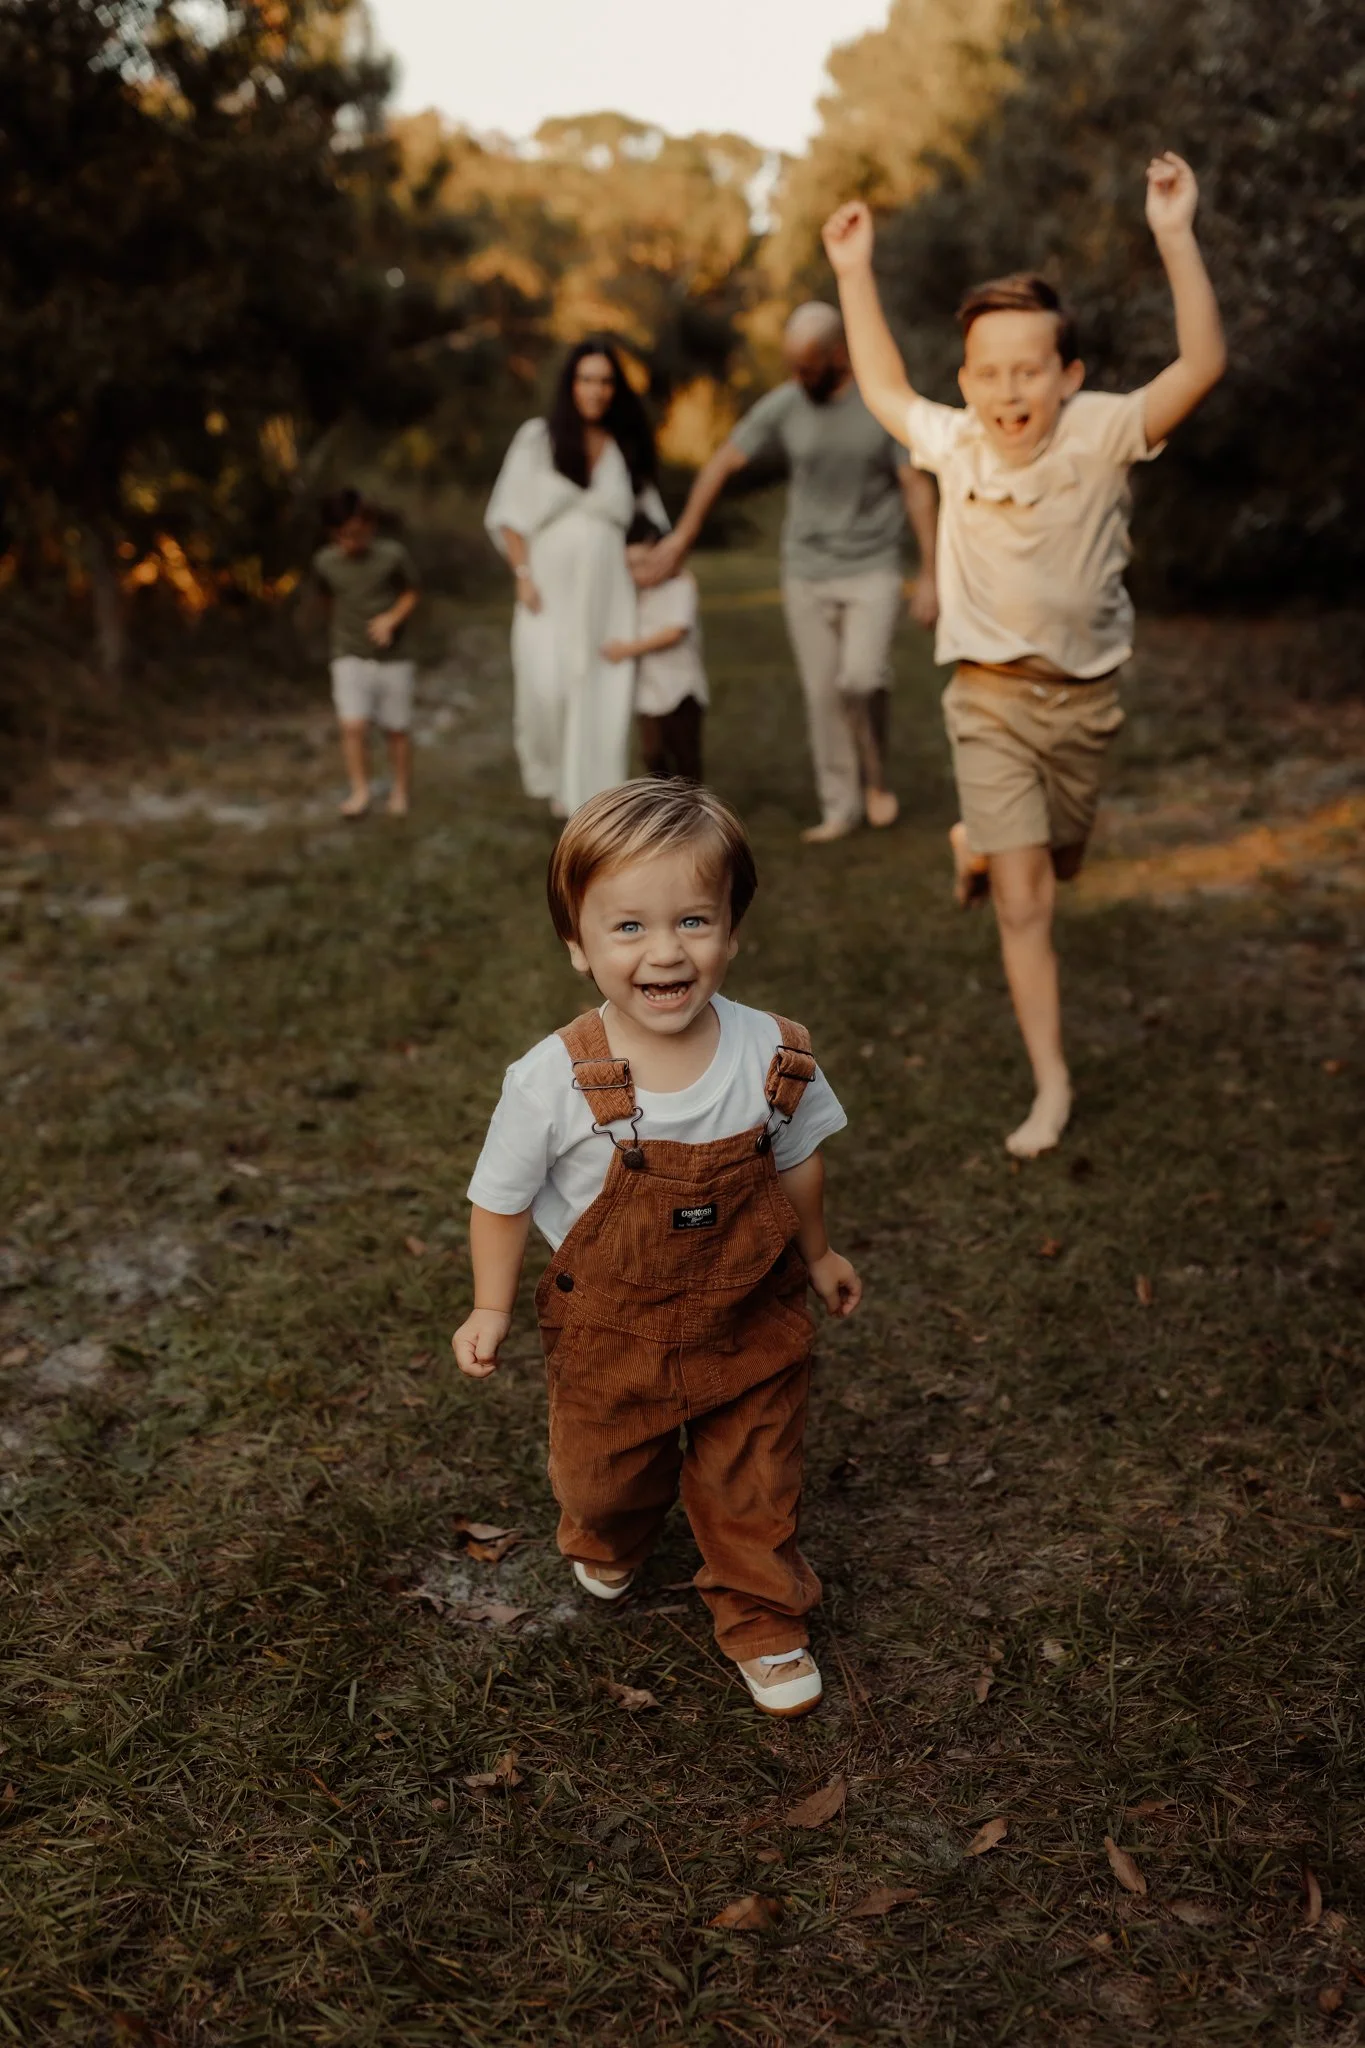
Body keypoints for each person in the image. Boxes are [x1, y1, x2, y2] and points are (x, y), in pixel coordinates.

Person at [822, 152, 1226, 1158]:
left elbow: (1202, 368)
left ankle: (976, 845)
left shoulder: (1103, 431)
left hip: (1086, 705)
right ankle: (1051, 1084)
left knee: (1059, 860)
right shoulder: (954, 441)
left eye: (1030, 370)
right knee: (1027, 898)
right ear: (967, 384)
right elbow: (878, 381)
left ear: (1069, 376)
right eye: (989, 372)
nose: (1010, 390)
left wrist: (1175, 235)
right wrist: (853, 272)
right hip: (988, 701)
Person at [451, 779, 861, 1718]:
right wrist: (490, 1305)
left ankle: (763, 1618)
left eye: (692, 920)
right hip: (611, 1336)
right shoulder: (552, 1078)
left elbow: (797, 1162)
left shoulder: (774, 1055)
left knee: (754, 1479)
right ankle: (612, 1535)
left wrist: (821, 1253)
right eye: (628, 928)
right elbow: (499, 1201)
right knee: (600, 1476)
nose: (665, 951)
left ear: (732, 929)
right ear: (577, 947)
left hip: (747, 1315)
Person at [640, 303, 939, 843]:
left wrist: (933, 574)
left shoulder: (880, 406)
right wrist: (684, 534)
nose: (798, 378)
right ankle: (839, 807)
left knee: (863, 677)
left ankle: (875, 777)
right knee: (823, 691)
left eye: (808, 367)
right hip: (806, 569)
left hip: (872, 565)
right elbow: (722, 463)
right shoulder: (786, 404)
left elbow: (917, 487)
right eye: (792, 366)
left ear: (838, 356)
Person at [485, 339, 669, 819]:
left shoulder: (625, 448)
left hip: (608, 589)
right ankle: (555, 778)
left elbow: (654, 525)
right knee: (545, 684)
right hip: (548, 585)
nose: (596, 390)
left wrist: (649, 562)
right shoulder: (538, 439)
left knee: (599, 683)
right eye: (587, 379)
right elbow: (508, 512)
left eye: (606, 381)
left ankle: (594, 799)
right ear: (571, 385)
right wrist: (522, 574)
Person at [313, 489, 421, 819]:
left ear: (370, 526)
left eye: (357, 534)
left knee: (396, 727)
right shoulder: (324, 562)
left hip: (394, 656)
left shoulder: (392, 556)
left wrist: (391, 619)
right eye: (342, 536)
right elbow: (327, 601)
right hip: (348, 653)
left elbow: (412, 592)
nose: (350, 542)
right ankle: (360, 791)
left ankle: (399, 791)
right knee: (353, 726)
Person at [602, 512, 708, 783]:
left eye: (644, 563)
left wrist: (628, 650)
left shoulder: (681, 584)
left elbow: (674, 632)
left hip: (680, 689)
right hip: (648, 691)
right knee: (652, 754)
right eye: (631, 567)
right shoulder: (636, 593)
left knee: (685, 756)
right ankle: (660, 813)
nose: (639, 573)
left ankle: (690, 814)